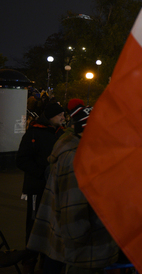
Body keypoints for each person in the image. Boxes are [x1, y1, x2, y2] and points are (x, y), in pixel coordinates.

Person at [27, 105, 119, 273]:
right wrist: (83, 241)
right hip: (86, 250)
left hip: (68, 242)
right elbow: (74, 214)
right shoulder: (79, 159)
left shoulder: (71, 149)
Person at [16, 102, 65, 273]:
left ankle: (45, 257)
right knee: (34, 224)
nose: (63, 118)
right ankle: (30, 260)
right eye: (60, 115)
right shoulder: (34, 133)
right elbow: (21, 159)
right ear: (51, 116)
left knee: (50, 224)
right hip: (37, 188)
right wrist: (41, 173)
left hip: (53, 189)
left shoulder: (60, 133)